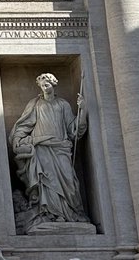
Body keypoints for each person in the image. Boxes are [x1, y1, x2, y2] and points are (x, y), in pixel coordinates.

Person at [9, 73, 88, 226]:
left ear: (53, 85)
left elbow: (73, 129)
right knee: (46, 181)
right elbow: (25, 125)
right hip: (42, 148)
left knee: (69, 182)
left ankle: (71, 213)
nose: (45, 88)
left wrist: (82, 111)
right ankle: (50, 214)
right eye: (42, 86)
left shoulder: (63, 104)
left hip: (61, 148)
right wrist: (18, 138)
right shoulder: (35, 104)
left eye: (47, 85)